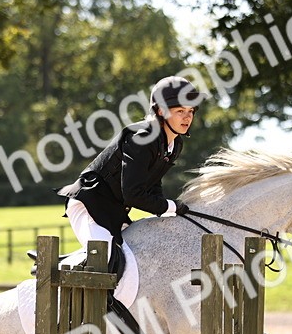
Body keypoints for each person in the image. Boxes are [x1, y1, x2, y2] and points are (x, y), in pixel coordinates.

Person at [57, 75, 201, 276]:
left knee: (137, 255)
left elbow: (153, 183)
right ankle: (56, 271)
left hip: (114, 210)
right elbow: (133, 194)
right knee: (105, 259)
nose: (187, 117)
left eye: (190, 111)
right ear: (161, 111)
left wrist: (169, 210)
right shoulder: (141, 138)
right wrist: (171, 206)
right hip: (89, 205)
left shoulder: (174, 144)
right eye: (180, 111)